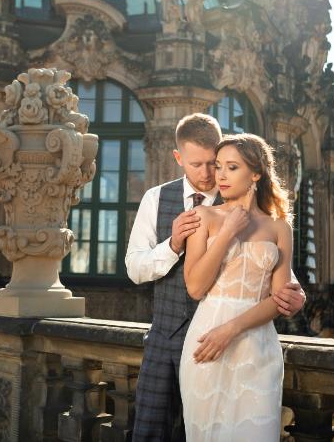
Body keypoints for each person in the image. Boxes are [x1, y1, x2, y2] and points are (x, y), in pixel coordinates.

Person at [126, 115, 303, 441]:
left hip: (247, 341)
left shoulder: (265, 218)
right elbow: (136, 269)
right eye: (200, 165)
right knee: (152, 433)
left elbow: (272, 276)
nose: (211, 174)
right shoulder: (159, 200)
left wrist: (296, 292)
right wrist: (173, 243)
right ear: (179, 159)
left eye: (218, 164)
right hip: (172, 338)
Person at [179, 133, 305, 441]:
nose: (219, 174)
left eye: (231, 167)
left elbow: (280, 299)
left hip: (257, 346)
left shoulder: (279, 228)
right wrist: (227, 234)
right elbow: (195, 287)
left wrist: (232, 328)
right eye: (218, 166)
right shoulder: (203, 216)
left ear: (257, 173)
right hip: (206, 343)